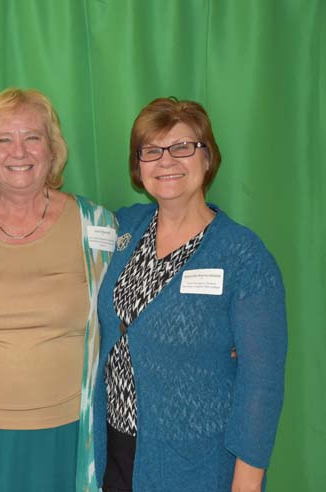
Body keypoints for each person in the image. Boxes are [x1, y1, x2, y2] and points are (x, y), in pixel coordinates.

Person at [93, 97, 287, 492]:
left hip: (200, 465)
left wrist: (247, 485)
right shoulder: (124, 228)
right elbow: (58, 219)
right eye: (151, 150)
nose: (166, 161)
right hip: (117, 453)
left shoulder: (242, 255)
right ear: (138, 165)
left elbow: (261, 383)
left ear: (207, 157)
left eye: (182, 147)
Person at [0, 88, 117, 492]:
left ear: (53, 151)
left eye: (32, 138)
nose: (19, 152)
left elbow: (132, 299)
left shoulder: (97, 226)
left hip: (68, 435)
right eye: (3, 140)